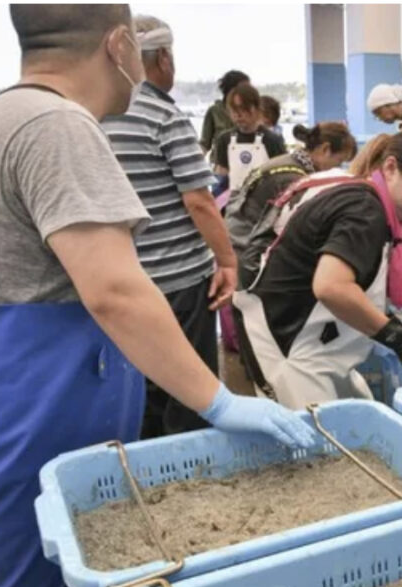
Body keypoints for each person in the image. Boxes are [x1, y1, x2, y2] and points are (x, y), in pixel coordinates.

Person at [0, 4, 316, 587]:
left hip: (13, 365)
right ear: (119, 45)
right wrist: (218, 400)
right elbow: (113, 289)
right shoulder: (57, 125)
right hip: (45, 390)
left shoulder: (1, 114)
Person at [233, 127, 402, 408]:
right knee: (316, 433)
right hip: (289, 343)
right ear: (391, 167)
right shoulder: (364, 211)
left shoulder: (358, 192)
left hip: (316, 337)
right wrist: (396, 337)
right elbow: (332, 287)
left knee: (362, 416)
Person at [102, 15, 239, 438]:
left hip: (125, 280)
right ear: (163, 58)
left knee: (143, 386)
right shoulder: (163, 114)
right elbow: (199, 201)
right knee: (191, 390)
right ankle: (191, 462)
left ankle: (148, 459)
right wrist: (227, 261)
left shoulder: (96, 113)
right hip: (180, 281)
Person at [226, 121, 357, 287]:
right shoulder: (293, 178)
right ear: (325, 149)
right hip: (247, 253)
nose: (337, 169)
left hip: (239, 242)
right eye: (339, 162)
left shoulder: (287, 163)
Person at [213, 81, 287, 192]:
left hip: (265, 198)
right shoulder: (224, 140)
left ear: (257, 109)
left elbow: (283, 176)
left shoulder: (273, 140)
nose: (238, 115)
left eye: (243, 109)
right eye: (234, 110)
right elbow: (221, 175)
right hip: (232, 198)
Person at [200, 68, 248, 154]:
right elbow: (205, 144)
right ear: (231, 90)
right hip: (219, 160)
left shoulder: (250, 112)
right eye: (244, 89)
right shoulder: (214, 111)